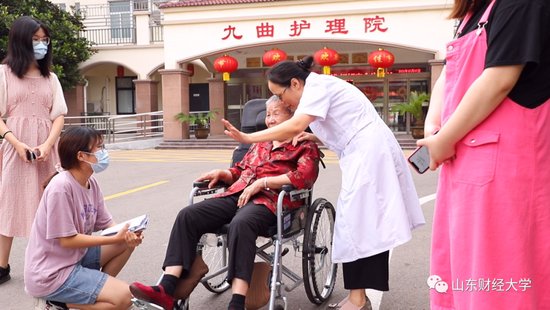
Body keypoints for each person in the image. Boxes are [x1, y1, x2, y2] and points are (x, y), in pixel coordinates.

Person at [222, 57, 426, 310]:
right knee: (362, 225)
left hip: (369, 157)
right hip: (366, 153)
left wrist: (248, 137)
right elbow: (341, 124)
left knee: (357, 225)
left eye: (281, 95)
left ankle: (358, 299)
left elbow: (294, 125)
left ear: (294, 83)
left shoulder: (317, 88)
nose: (283, 102)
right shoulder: (321, 86)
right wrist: (313, 135)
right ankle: (357, 297)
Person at [416, 0, 550, 309]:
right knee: (465, 269)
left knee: (502, 274)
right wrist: (433, 128)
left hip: (504, 168)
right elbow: (449, 74)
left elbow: (499, 79)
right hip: (463, 159)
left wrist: (445, 137)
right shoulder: (473, 13)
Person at [129, 96, 321, 310]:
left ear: (294, 116)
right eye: (268, 114)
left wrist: (263, 183)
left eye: (276, 113)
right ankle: (166, 288)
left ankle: (237, 302)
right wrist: (224, 173)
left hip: (271, 201)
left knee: (242, 223)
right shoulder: (261, 143)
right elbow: (240, 171)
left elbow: (305, 176)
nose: (270, 120)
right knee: (188, 215)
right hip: (238, 194)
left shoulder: (304, 145)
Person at [24, 126, 144, 310]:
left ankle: (95, 289)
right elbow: (67, 240)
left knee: (124, 243)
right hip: (51, 274)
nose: (104, 152)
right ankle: (54, 303)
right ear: (81, 155)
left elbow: (107, 224)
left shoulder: (91, 182)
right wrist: (115, 237)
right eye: (99, 147)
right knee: (126, 298)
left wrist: (128, 233)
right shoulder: (61, 187)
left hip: (73, 260)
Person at [0, 16, 68, 284]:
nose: (41, 45)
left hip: (46, 149)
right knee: (9, 204)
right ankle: (2, 266)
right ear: (20, 41)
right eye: (35, 39)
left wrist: (48, 145)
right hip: (15, 148)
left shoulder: (50, 77)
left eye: (44, 40)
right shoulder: (3, 73)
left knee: (49, 207)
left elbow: (59, 115)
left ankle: (49, 263)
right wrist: (16, 143)